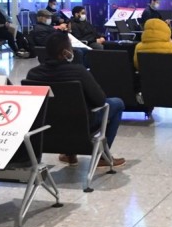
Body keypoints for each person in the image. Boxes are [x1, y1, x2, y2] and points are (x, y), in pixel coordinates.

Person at [26, 31, 125, 168]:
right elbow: (100, 100)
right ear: (65, 52)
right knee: (117, 103)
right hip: (82, 124)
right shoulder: (78, 72)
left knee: (63, 111)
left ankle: (70, 154)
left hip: (47, 127)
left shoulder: (33, 74)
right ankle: (102, 156)